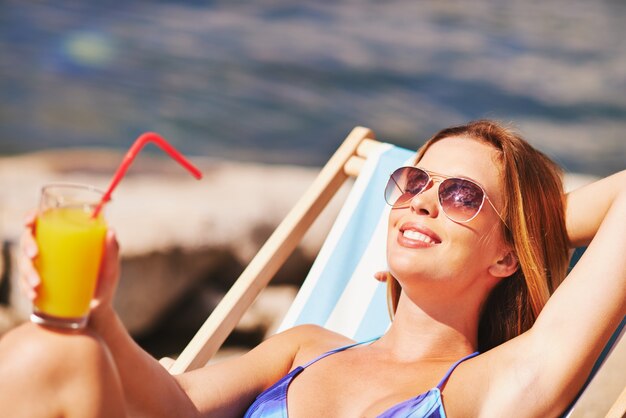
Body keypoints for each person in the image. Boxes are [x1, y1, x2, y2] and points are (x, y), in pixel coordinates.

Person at [1, 120, 624, 417]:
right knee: (55, 351)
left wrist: (534, 227)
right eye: (413, 182)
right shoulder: (306, 348)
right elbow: (173, 407)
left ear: (506, 256)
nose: (424, 200)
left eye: (462, 194)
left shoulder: (492, 390)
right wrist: (100, 315)